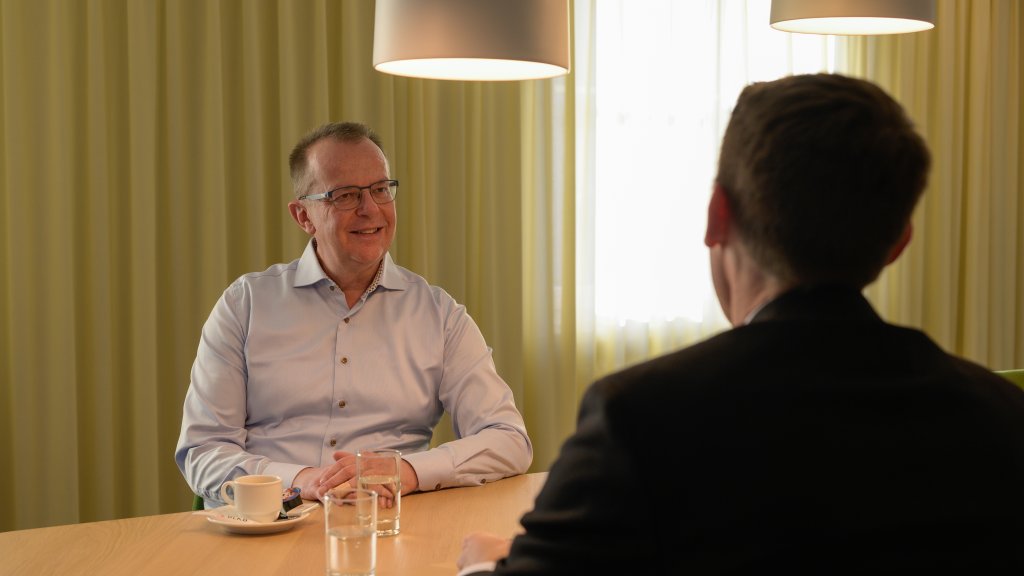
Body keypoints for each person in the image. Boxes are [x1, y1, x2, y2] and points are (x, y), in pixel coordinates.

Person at [457, 73, 1024, 574]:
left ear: (716, 215)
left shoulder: (637, 417)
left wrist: (486, 564)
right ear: (900, 240)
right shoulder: (1003, 416)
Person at [175, 121, 532, 507]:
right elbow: (203, 450)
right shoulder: (243, 306)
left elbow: (508, 439)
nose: (370, 209)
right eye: (345, 195)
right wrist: (300, 481)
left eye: (380, 189)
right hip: (270, 528)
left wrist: (407, 472)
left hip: (390, 527)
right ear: (303, 216)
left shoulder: (439, 314)